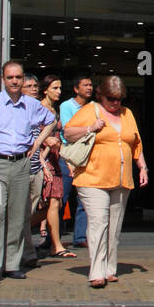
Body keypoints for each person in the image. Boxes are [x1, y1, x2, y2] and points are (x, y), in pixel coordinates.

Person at [0, 61, 57, 283]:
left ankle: (12, 264)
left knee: (18, 216)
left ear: (22, 79)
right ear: (3, 79)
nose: (15, 81)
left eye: (18, 77)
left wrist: (37, 143)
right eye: (10, 78)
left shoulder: (31, 105)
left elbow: (51, 121)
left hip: (20, 165)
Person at [65, 74, 148, 287]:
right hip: (93, 177)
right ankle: (96, 271)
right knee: (98, 223)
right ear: (102, 95)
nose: (115, 103)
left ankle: (110, 268)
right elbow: (68, 132)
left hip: (121, 178)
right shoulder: (90, 110)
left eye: (119, 99)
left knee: (114, 226)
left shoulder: (127, 113)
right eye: (111, 99)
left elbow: (135, 144)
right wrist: (90, 128)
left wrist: (143, 167)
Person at [28, 74, 71, 260]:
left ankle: (19, 229)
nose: (59, 92)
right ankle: (56, 245)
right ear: (45, 90)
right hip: (43, 159)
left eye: (60, 88)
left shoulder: (53, 109)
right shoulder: (39, 109)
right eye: (55, 88)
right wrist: (45, 144)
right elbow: (33, 133)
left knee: (55, 203)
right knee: (51, 202)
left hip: (55, 158)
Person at [58, 71, 94, 250]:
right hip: (69, 156)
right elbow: (68, 131)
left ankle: (80, 236)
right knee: (61, 197)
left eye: (90, 85)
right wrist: (87, 129)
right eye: (85, 85)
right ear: (76, 88)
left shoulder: (93, 107)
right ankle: (54, 238)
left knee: (84, 199)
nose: (89, 88)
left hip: (87, 157)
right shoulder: (67, 106)